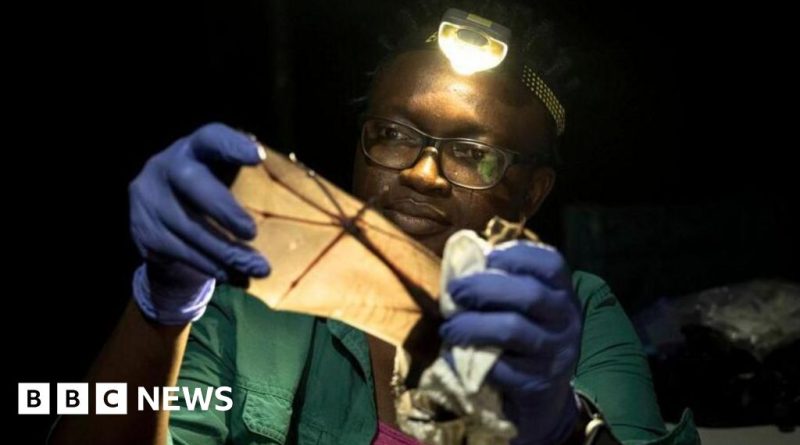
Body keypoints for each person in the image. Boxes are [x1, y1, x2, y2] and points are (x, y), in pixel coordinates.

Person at [50, 1, 699, 444]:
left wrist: (561, 426)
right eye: (392, 134)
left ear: (530, 191)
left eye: (471, 153)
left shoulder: (577, 314)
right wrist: (158, 310)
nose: (420, 173)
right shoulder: (253, 309)